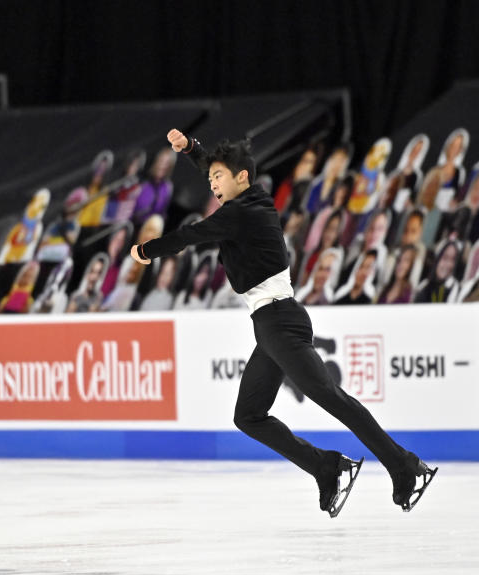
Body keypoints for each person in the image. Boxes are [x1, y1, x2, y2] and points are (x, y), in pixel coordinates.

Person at [131, 129, 436, 516]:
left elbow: (191, 234)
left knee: (331, 398)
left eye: (218, 178)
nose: (212, 184)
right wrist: (193, 150)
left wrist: (146, 250)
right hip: (271, 324)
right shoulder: (252, 199)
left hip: (280, 322)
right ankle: (325, 467)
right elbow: (219, 168)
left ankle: (404, 466)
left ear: (242, 178)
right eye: (210, 179)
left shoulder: (240, 213)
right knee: (248, 416)